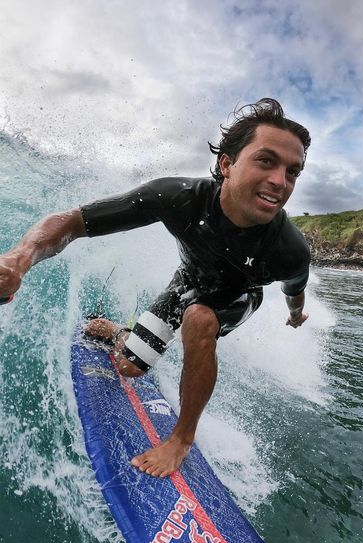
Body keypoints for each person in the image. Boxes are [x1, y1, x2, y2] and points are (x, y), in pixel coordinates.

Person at [0, 98, 311, 478]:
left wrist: (296, 317)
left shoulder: (289, 249)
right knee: (129, 367)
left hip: (237, 297)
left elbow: (295, 292)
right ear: (226, 164)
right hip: (187, 283)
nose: (280, 181)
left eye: (292, 172)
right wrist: (19, 258)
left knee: (200, 319)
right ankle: (121, 334)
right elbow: (72, 222)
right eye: (266, 161)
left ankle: (181, 438)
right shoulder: (178, 198)